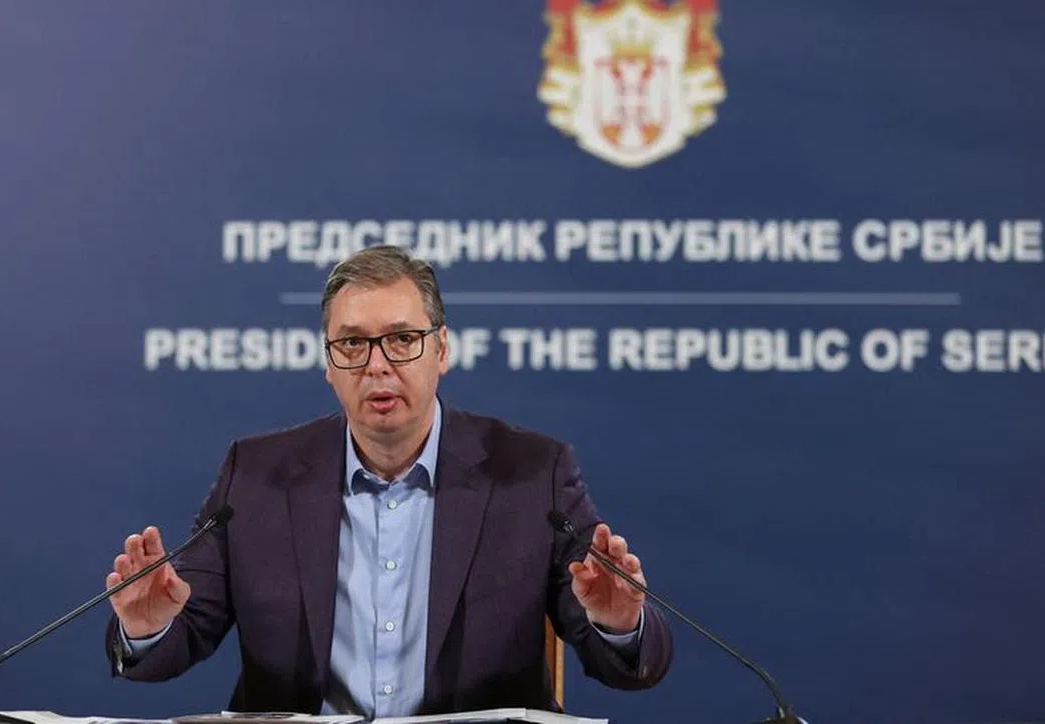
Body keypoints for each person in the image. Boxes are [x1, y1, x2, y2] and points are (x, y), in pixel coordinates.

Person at [103, 244, 673, 717]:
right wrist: (148, 628)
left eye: (402, 339)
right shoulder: (256, 476)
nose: (378, 364)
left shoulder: (530, 474)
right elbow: (181, 637)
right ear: (328, 363)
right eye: (352, 343)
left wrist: (618, 622)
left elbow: (626, 665)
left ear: (442, 350)